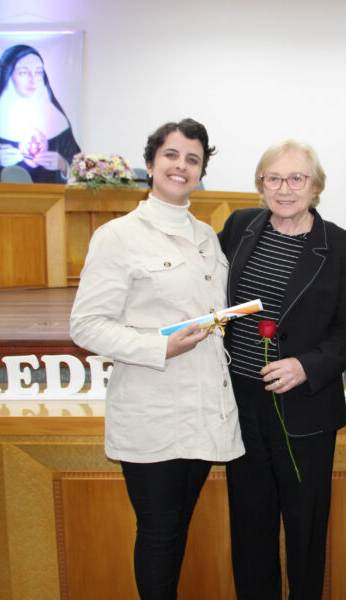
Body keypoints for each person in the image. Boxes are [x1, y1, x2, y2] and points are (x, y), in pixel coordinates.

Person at [70, 118, 244, 600]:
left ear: (201, 171)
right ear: (149, 164)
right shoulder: (118, 236)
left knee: (178, 527)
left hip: (204, 409)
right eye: (171, 155)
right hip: (152, 412)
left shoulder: (208, 237)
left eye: (193, 159)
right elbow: (86, 326)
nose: (181, 166)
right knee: (159, 533)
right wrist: (158, 346)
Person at [218, 140, 346, 600]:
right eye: (274, 178)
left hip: (305, 409)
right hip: (242, 404)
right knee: (249, 529)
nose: (284, 188)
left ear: (315, 186)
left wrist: (307, 365)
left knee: (305, 530)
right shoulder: (239, 226)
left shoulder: (342, 248)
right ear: (261, 185)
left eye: (297, 178)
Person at [0, 44, 80, 183]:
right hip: (0, 196)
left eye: (38, 72)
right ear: (9, 75)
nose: (33, 80)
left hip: (49, 195)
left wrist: (63, 165)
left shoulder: (58, 119)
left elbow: (77, 164)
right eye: (23, 73)